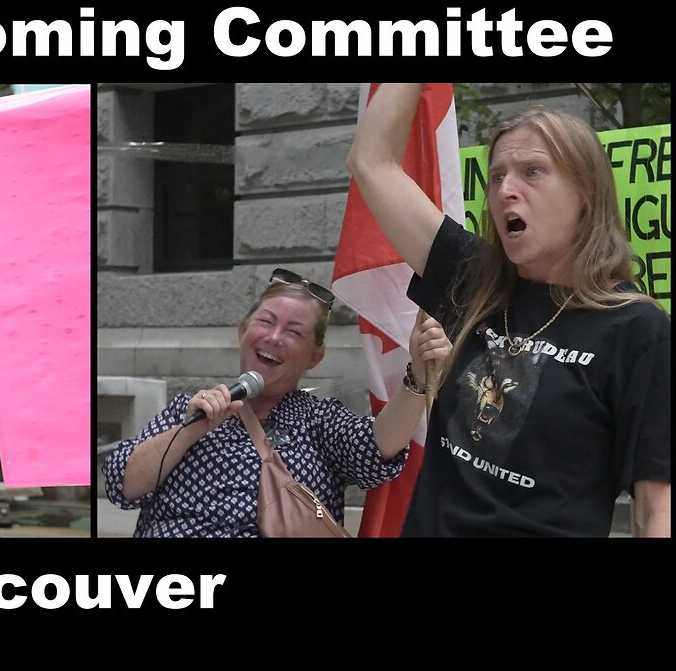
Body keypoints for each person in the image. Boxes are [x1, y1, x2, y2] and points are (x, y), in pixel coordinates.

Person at [346, 83, 671, 537]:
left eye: (532, 172)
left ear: (585, 194)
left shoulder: (638, 328)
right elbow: (371, 162)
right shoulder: (474, 277)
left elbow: (657, 510)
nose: (505, 191)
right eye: (497, 176)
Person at [101, 269, 450, 537]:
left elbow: (379, 446)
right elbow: (122, 485)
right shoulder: (189, 409)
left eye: (294, 332)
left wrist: (417, 379)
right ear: (243, 330)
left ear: (314, 358)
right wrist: (192, 429)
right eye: (266, 322)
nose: (274, 338)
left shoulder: (318, 420)